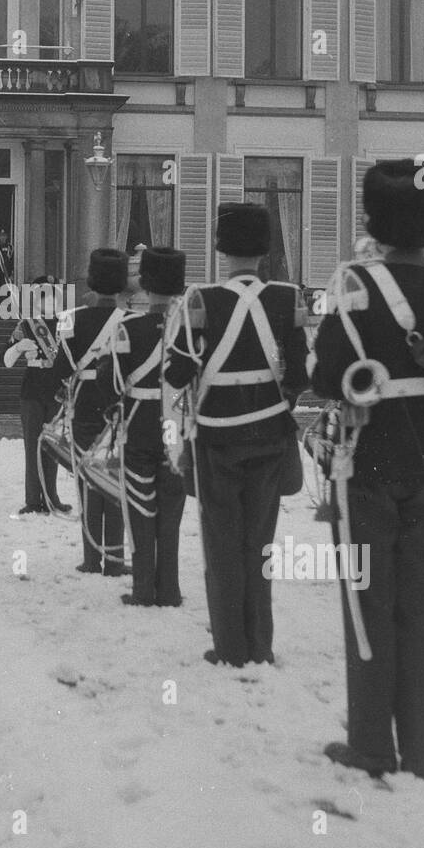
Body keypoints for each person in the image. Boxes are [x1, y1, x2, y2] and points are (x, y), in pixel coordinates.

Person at [310, 160, 424, 777]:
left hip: (367, 461)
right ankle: (422, 746)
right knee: (420, 606)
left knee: (368, 602)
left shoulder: (353, 284)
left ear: (375, 221)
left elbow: (325, 378)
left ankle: (373, 742)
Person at [164, 205, 308, 663]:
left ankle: (230, 646)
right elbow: (302, 372)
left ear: (220, 248)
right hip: (269, 433)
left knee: (222, 546)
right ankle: (260, 644)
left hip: (217, 438)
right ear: (265, 250)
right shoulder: (288, 298)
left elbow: (178, 370)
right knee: (260, 544)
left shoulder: (201, 300)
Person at [107, 247, 188, 607]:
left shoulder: (129, 327)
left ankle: (143, 589)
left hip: (138, 426)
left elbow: (111, 385)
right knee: (171, 515)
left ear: (147, 286)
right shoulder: (189, 329)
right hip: (176, 428)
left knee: (140, 511)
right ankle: (169, 589)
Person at [57, 249, 128, 576]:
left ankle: (90, 556)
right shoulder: (129, 321)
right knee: (113, 480)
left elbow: (60, 367)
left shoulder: (71, 319)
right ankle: (114, 558)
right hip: (118, 405)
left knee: (87, 478)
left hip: (83, 403)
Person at [4, 277, 68, 517]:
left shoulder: (66, 324)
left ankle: (52, 498)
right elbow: (5, 360)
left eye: (52, 294)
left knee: (52, 446)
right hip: (32, 391)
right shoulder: (26, 325)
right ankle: (33, 500)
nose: (48, 299)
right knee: (33, 447)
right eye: (43, 294)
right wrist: (19, 348)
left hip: (56, 391)